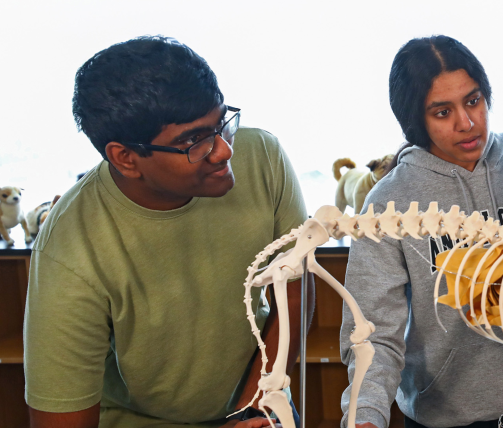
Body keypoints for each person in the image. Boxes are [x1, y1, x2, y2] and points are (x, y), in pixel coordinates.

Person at [23, 36, 309, 428]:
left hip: (259, 395)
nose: (224, 150)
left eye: (222, 122)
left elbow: (294, 292)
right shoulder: (71, 248)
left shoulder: (263, 157)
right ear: (126, 158)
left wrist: (257, 405)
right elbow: (61, 418)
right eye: (193, 140)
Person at [339, 35, 503, 428]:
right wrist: (366, 413)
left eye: (473, 101)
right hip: (440, 413)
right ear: (416, 119)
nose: (467, 122)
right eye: (442, 112)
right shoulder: (388, 203)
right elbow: (373, 329)